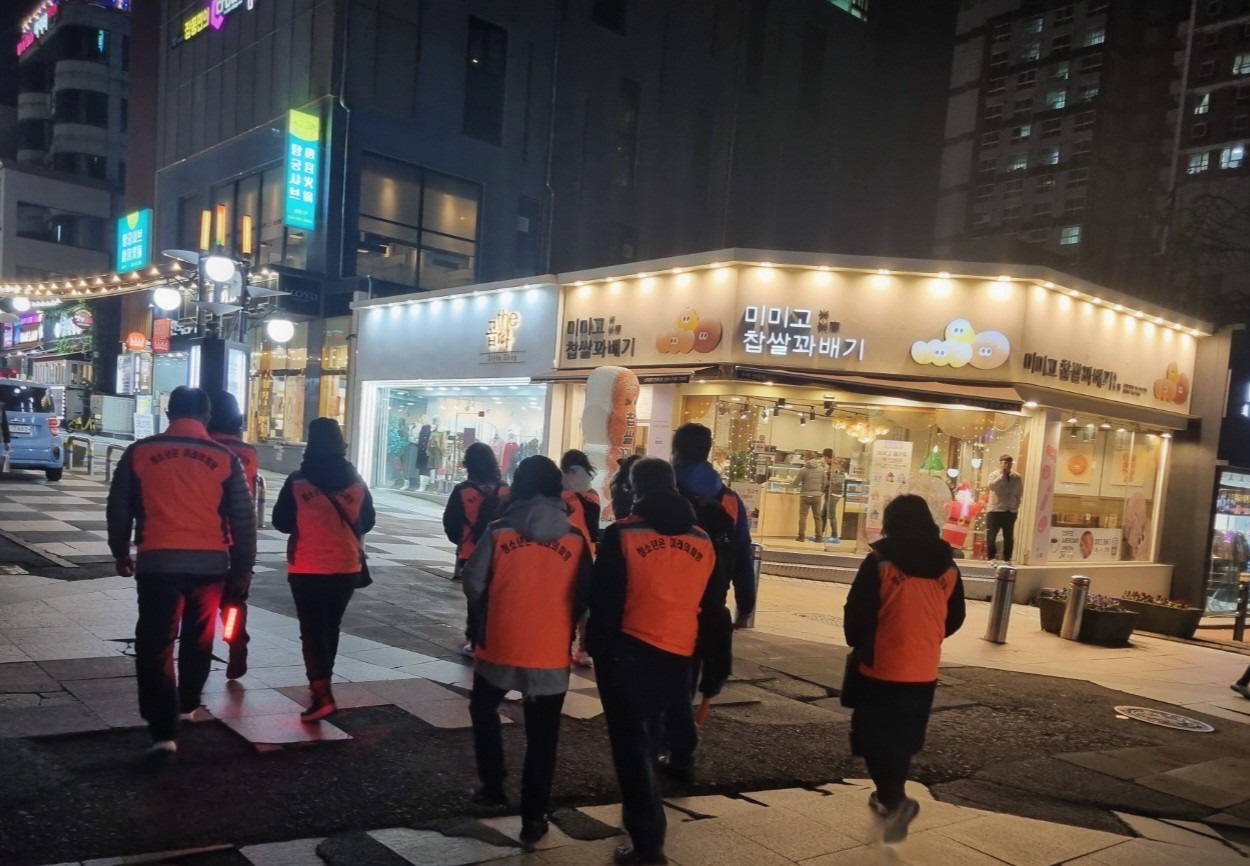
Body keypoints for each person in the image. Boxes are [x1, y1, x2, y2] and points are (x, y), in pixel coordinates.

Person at [106, 386, 256, 757]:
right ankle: (187, 704)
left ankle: (162, 731)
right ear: (206, 417)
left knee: (155, 642)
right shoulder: (224, 458)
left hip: (158, 564)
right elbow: (243, 518)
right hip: (209, 566)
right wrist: (243, 568)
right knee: (199, 637)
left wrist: (120, 550)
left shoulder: (140, 451)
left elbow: (119, 506)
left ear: (170, 412)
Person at [587, 458, 716, 866]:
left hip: (629, 651)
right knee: (653, 735)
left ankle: (647, 842)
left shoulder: (623, 534)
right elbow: (711, 606)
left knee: (632, 747)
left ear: (635, 488)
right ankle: (645, 831)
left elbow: (605, 601)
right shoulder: (702, 539)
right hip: (679, 654)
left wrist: (598, 649)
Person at [462, 455, 593, 850]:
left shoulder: (499, 531)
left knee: (483, 707)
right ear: (557, 488)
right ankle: (533, 818)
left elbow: (473, 581)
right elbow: (585, 600)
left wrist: (495, 608)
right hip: (550, 650)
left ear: (518, 486)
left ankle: (493, 785)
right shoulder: (575, 539)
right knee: (543, 736)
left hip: (500, 643)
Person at [843, 494, 966, 844]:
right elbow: (954, 617)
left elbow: (857, 613)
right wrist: (926, 638)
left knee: (871, 734)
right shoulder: (949, 566)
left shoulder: (880, 561)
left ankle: (894, 800)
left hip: (881, 665)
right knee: (902, 737)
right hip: (923, 669)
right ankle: (891, 799)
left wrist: (863, 642)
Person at [271, 418, 375, 721]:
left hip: (308, 563)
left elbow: (281, 522)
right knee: (330, 625)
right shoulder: (356, 481)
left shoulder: (298, 481)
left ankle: (322, 691)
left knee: (312, 628)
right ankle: (322, 683)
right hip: (346, 565)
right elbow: (367, 521)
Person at [206, 391, 258, 680]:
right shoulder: (249, 452)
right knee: (234, 601)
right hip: (239, 538)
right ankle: (235, 643)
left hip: (209, 536)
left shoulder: (206, 448)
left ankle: (199, 648)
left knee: (199, 600)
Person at [443, 442, 510, 654]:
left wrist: (462, 540)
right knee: (496, 595)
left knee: (474, 595)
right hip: (502, 551)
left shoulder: (462, 490)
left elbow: (450, 523)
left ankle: (474, 638)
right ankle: (495, 635)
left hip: (470, 551)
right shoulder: (506, 490)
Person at [561, 449, 601, 668]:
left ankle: (562, 644)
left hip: (564, 552)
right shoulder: (593, 496)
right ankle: (584, 650)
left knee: (564, 599)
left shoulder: (559, 494)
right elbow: (594, 531)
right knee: (585, 603)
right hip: (587, 553)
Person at [985, 454, 1024, 562]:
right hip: (995, 510)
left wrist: (1016, 505)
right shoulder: (994, 475)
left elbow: (1019, 492)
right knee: (991, 535)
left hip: (1010, 511)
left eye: (1009, 463)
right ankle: (991, 559)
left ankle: (1008, 559)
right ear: (1000, 463)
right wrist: (1002, 476)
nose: (1007, 465)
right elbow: (991, 486)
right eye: (1005, 463)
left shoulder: (1016, 477)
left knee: (1009, 536)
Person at [793, 451, 828, 542]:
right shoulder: (821, 469)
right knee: (817, 517)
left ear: (807, 458)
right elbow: (825, 483)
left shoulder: (803, 470)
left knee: (803, 516)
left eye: (804, 458)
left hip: (805, 496)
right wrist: (820, 492)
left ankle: (801, 536)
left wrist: (791, 483)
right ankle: (819, 537)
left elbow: (795, 483)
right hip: (817, 497)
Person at [820, 450, 846, 543]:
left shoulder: (833, 468)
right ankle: (819, 534)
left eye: (824, 458)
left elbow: (830, 482)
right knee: (823, 515)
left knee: (831, 515)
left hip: (833, 494)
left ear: (826, 457)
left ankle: (835, 536)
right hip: (832, 494)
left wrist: (822, 490)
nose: (824, 460)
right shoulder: (835, 466)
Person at [609, 453, 643, 520]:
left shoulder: (627, 475)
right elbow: (620, 493)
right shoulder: (620, 477)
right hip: (623, 511)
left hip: (628, 512)